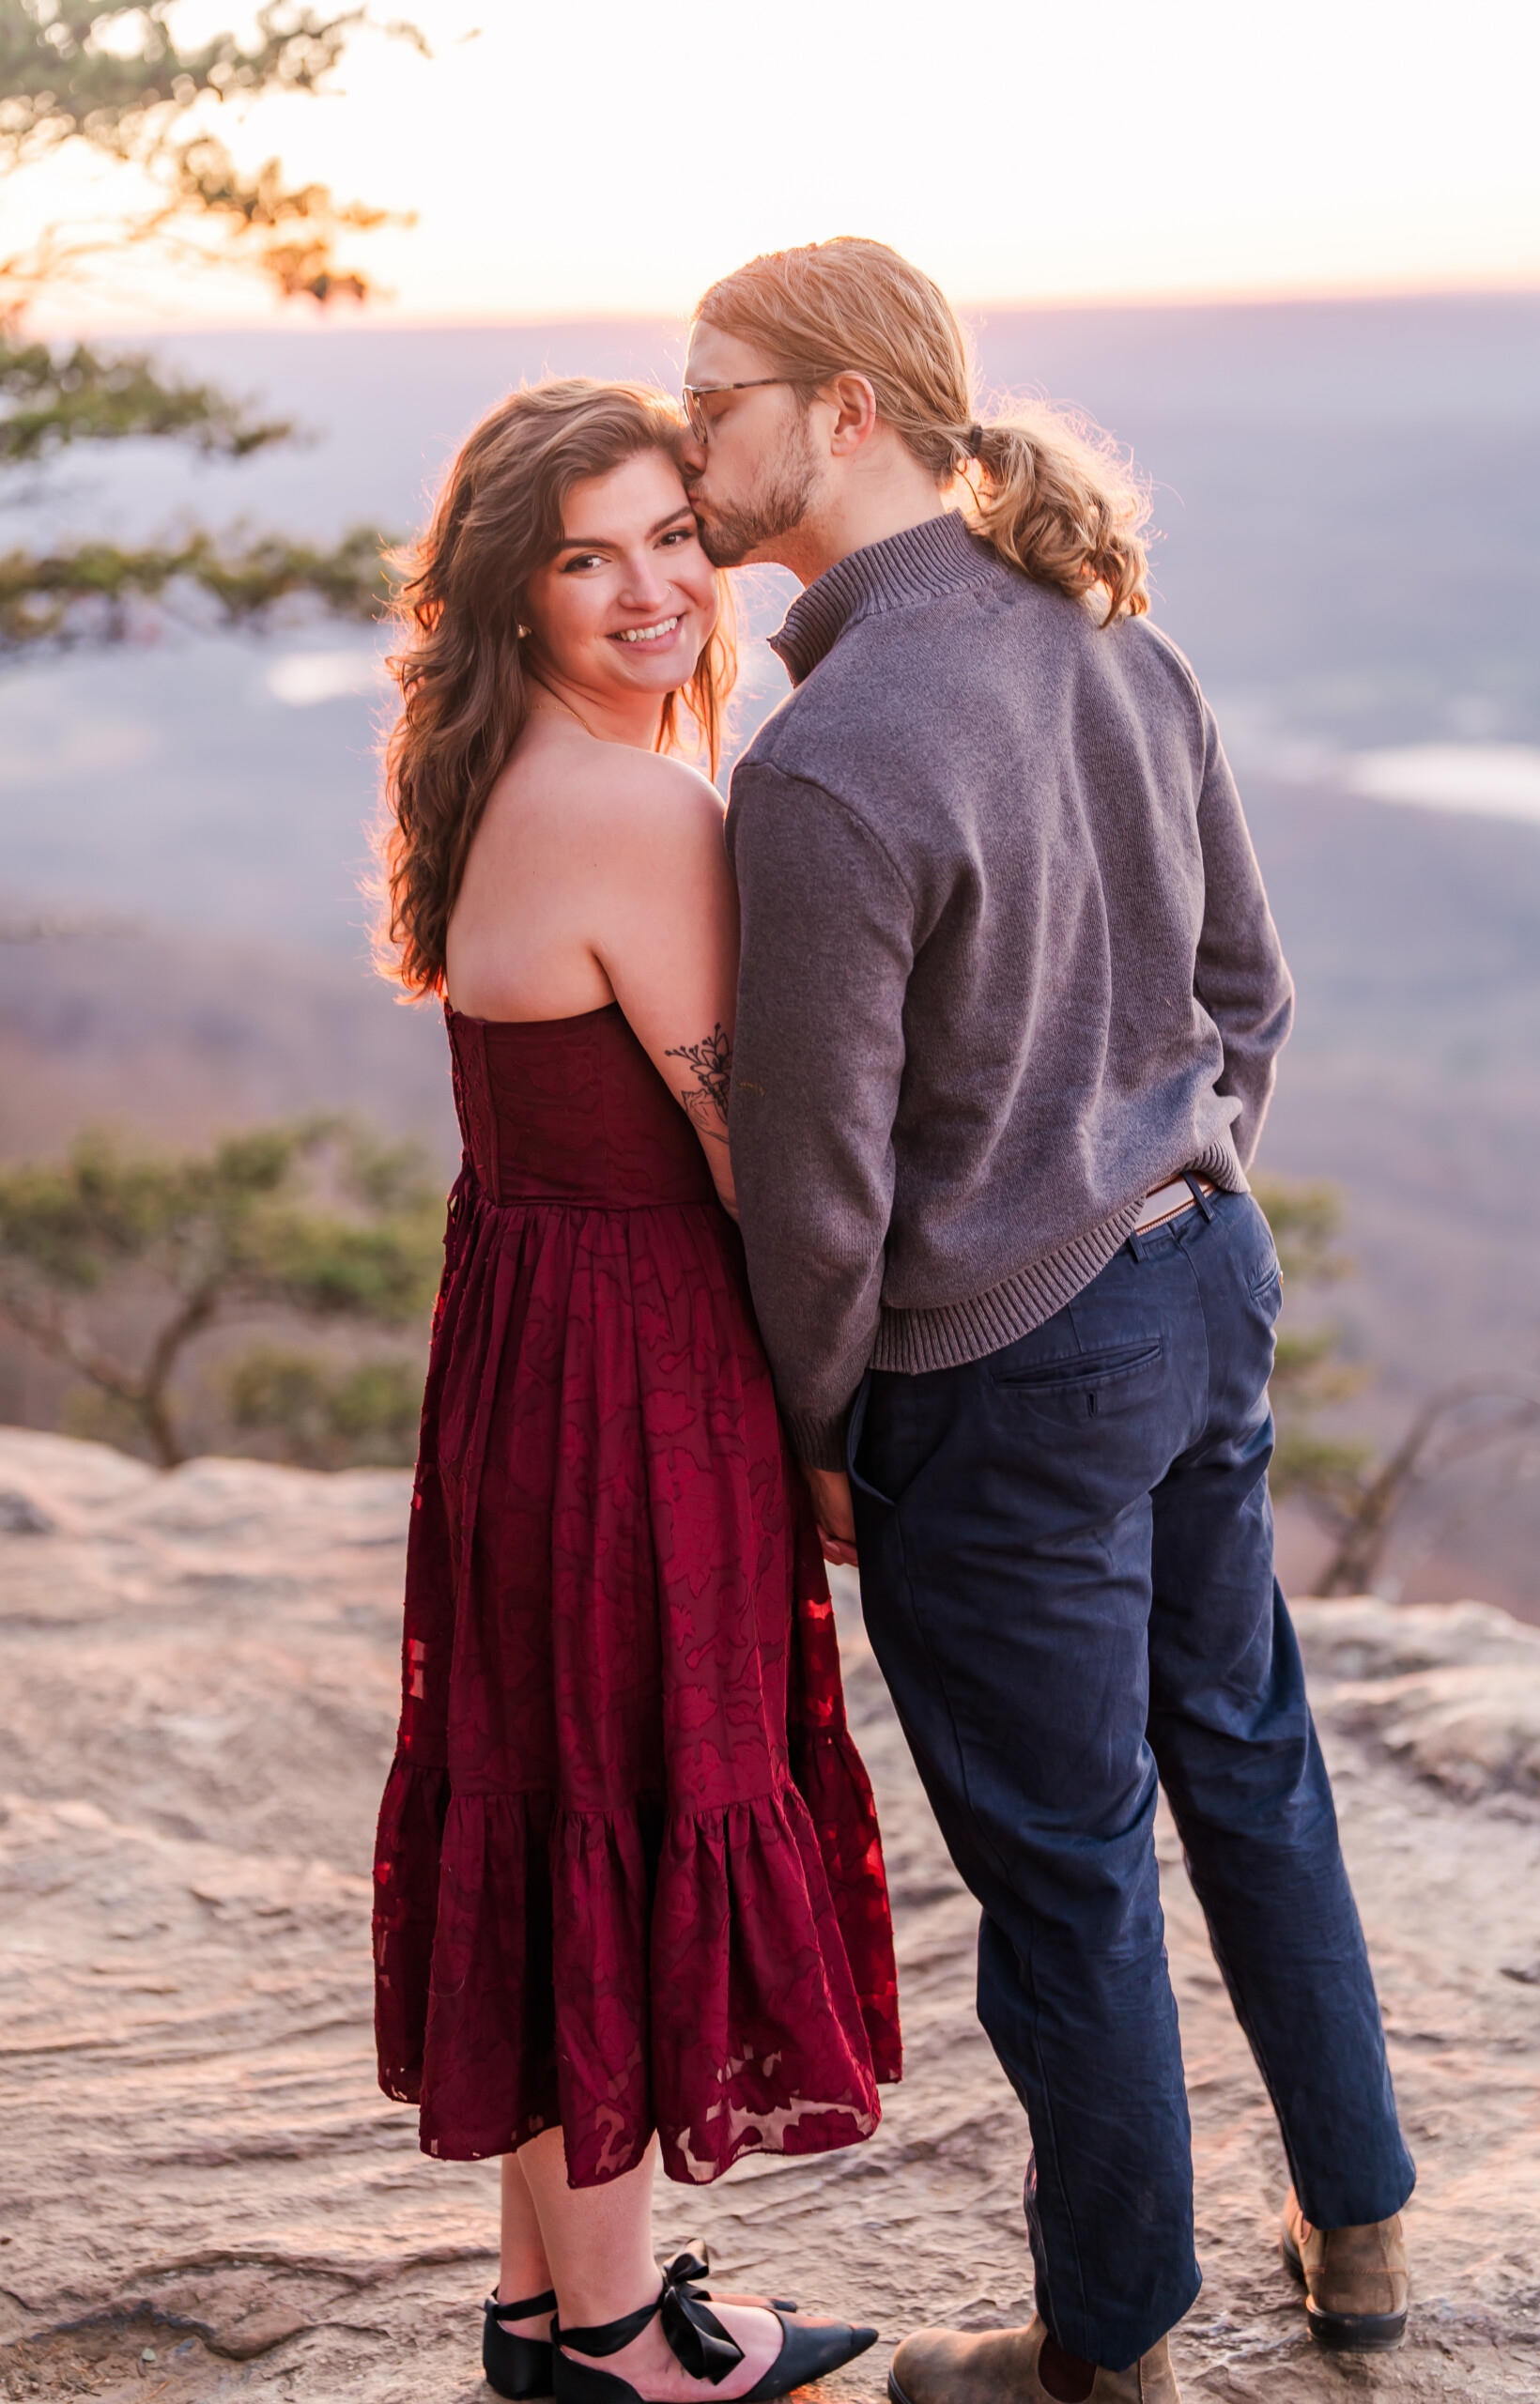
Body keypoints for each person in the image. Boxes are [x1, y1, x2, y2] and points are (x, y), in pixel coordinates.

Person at [679, 240, 1415, 2404]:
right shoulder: (1112, 645)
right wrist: (1169, 1181)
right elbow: (1245, 991)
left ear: (840, 412)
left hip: (997, 1377)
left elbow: (816, 1186)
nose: (684, 427)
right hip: (1198, 1290)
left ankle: (1110, 2345)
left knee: (1068, 1865)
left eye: (711, 392)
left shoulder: (823, 762)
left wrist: (818, 1420)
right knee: (1248, 1758)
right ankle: (1353, 2224)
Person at [369, 377, 900, 2404]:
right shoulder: (636, 804)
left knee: (549, 1787)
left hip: (528, 1347)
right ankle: (605, 2339)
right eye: (586, 554)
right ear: (512, 592)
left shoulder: (505, 768)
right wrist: (837, 1423)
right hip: (628, 1374)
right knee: (616, 1787)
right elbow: (755, 1155)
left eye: (675, 533)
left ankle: (542, 2303)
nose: (652, 585)